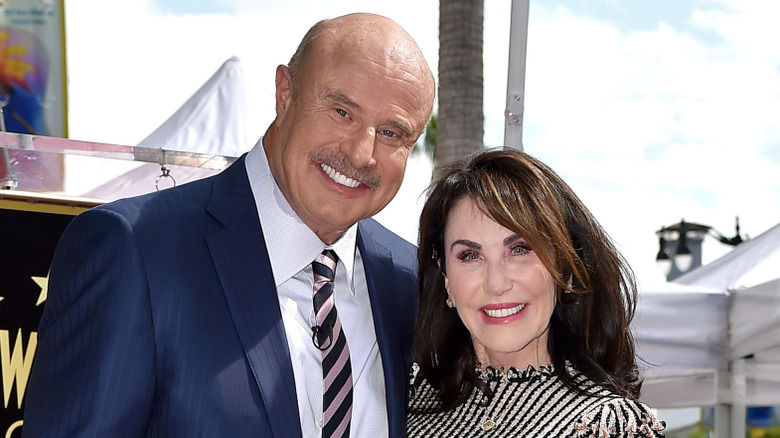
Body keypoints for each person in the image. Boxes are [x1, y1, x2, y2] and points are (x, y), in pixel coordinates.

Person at [23, 13, 435, 438]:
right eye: (341, 111)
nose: (362, 152)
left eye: (391, 133)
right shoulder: (134, 251)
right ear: (284, 92)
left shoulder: (412, 283)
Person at [407, 148, 666, 437]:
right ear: (444, 276)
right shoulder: (409, 398)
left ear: (566, 265)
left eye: (519, 250)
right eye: (469, 256)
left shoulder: (609, 426)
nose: (496, 283)